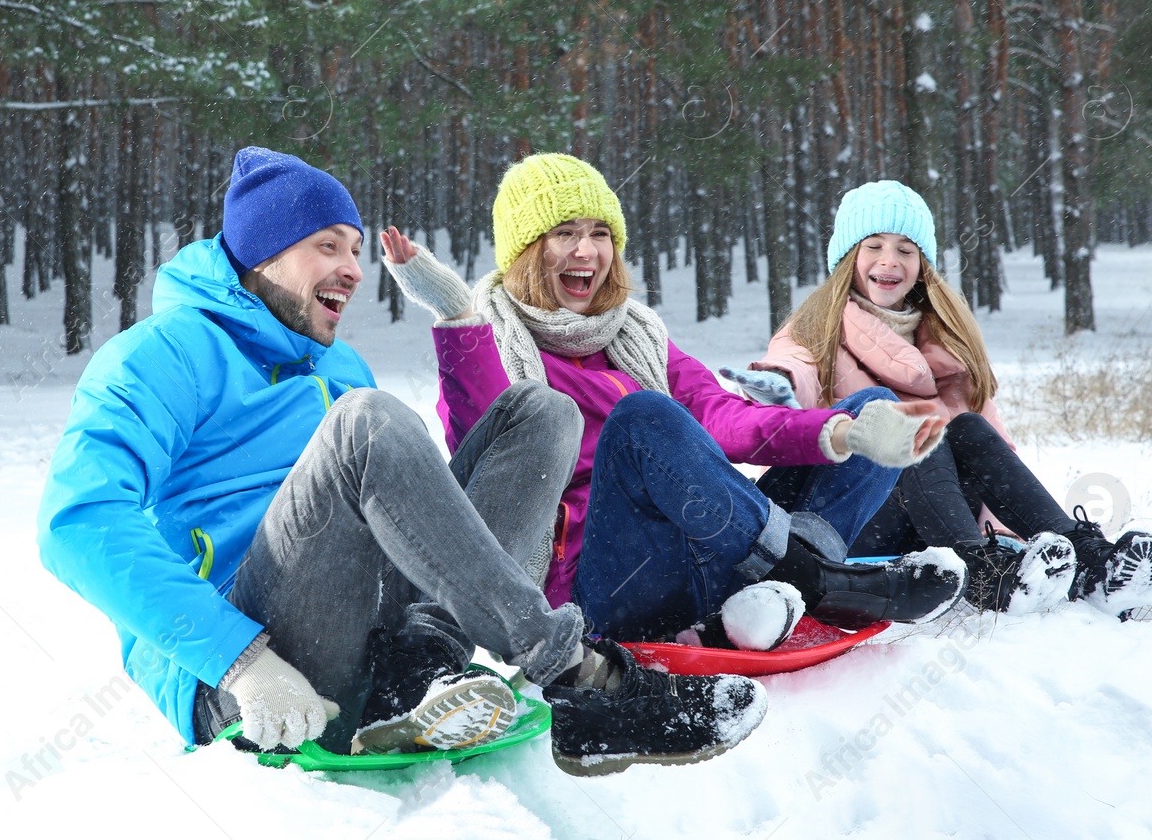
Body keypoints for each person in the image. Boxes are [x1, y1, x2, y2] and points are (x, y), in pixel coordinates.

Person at [37, 147, 768, 777]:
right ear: (263, 254)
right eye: (327, 245)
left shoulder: (341, 364)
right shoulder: (164, 351)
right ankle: (577, 677)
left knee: (543, 413)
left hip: (370, 638)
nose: (353, 268)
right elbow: (77, 520)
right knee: (366, 423)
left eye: (356, 248)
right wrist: (237, 660)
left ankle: (424, 666)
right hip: (252, 666)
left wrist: (462, 326)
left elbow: (428, 511)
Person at [382, 153, 965, 655]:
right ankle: (810, 577)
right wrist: (460, 322)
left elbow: (721, 418)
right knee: (641, 421)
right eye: (564, 233)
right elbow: (481, 449)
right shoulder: (497, 347)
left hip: (701, 552)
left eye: (600, 233)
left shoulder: (637, 337)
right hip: (598, 587)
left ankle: (756, 605)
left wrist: (840, 433)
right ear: (527, 251)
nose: (587, 250)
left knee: (868, 405)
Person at [747, 180, 1152, 620]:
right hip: (849, 520)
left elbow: (993, 451)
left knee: (965, 428)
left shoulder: (946, 335)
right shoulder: (813, 327)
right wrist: (778, 381)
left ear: (922, 264)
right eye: (873, 245)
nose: (889, 260)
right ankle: (984, 576)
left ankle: (1092, 565)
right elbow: (791, 365)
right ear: (847, 256)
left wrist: (1008, 534)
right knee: (910, 428)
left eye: (906, 249)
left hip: (936, 520)